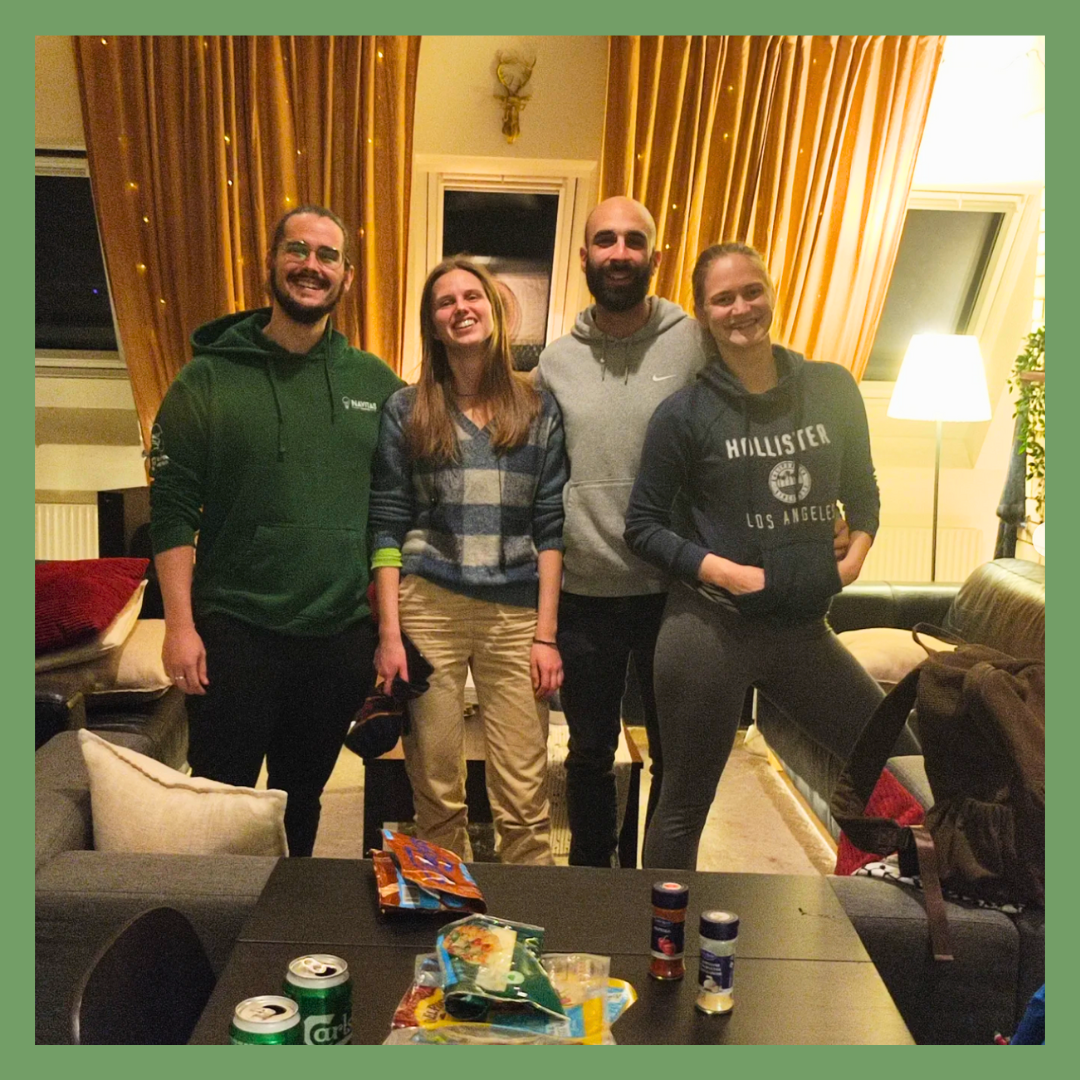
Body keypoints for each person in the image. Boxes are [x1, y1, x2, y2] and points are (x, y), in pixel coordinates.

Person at [625, 241, 913, 871]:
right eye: (722, 299)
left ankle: (885, 903)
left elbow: (863, 493)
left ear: (772, 293)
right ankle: (662, 947)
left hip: (803, 630)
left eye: (750, 291)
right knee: (683, 806)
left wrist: (856, 554)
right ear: (704, 314)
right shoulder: (684, 415)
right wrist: (727, 572)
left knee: (901, 761)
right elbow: (642, 526)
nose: (740, 308)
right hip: (710, 629)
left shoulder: (831, 388)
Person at [149, 205, 404, 857]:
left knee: (303, 798)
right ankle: (213, 937)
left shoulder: (373, 384)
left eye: (327, 256)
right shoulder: (204, 378)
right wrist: (179, 626)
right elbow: (173, 507)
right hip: (234, 629)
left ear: (346, 276)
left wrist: (385, 629)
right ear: (270, 262)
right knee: (222, 799)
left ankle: (280, 933)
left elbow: (393, 505)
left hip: (336, 635)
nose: (311, 266)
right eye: (298, 250)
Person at [369, 255, 568, 865]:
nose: (461, 308)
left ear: (494, 310)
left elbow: (552, 528)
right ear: (433, 324)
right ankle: (448, 927)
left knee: (524, 795)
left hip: (516, 617)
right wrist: (388, 634)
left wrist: (547, 635)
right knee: (435, 789)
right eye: (445, 301)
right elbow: (385, 523)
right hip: (427, 609)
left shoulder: (538, 408)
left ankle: (524, 933)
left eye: (471, 296)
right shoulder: (407, 410)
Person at [535, 197, 711, 866]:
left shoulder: (695, 340)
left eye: (633, 241)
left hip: (677, 589)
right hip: (586, 592)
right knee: (587, 751)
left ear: (655, 257)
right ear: (583, 257)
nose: (618, 253)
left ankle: (663, 881)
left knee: (676, 752)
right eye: (604, 241)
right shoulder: (557, 361)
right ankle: (590, 878)